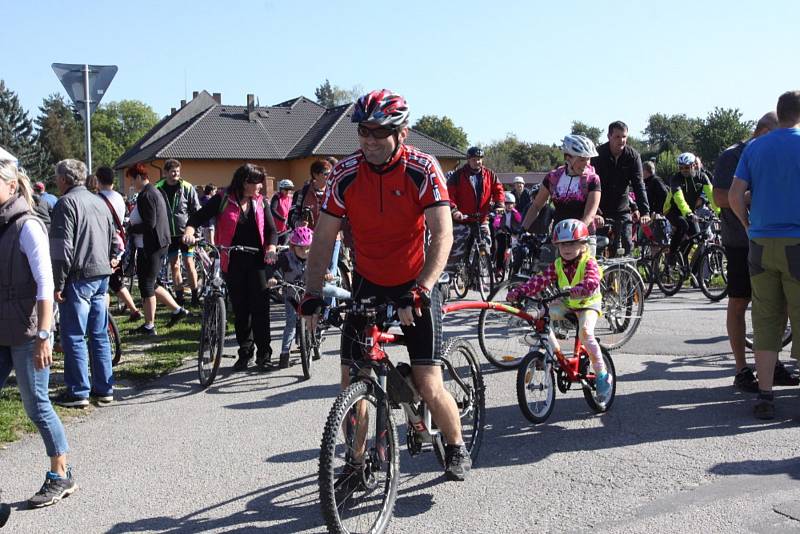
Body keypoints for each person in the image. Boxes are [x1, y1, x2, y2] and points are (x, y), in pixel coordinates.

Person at [300, 89, 471, 481]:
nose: (370, 140)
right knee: (351, 380)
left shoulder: (423, 169)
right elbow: (323, 238)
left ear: (402, 133)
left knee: (428, 382)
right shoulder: (345, 174)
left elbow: (442, 235)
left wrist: (424, 287)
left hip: (415, 281)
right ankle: (356, 462)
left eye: (380, 132)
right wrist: (311, 293)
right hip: (368, 282)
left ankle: (456, 444)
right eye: (363, 131)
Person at [0, 159, 76, 508]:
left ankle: (60, 473)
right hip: (2, 327)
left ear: (12, 186)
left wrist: (45, 335)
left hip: (29, 331)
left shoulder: (27, 226)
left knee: (37, 405)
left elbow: (46, 284)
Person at [712, 112, 797, 393]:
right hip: (739, 241)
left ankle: (771, 368)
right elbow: (720, 197)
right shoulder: (732, 155)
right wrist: (752, 195)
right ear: (761, 131)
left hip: (765, 240)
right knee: (738, 302)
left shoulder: (768, 150)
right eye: (772, 133)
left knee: (779, 305)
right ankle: (741, 369)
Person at [729, 90, 800, 419]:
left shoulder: (755, 147)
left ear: (779, 112)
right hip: (797, 241)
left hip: (760, 243)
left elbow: (734, 194)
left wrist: (748, 224)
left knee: (766, 319)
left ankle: (766, 394)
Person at [184, 164, 278, 371]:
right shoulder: (224, 199)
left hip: (258, 262)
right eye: (257, 182)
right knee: (241, 309)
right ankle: (245, 353)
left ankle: (264, 354)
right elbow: (198, 217)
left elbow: (272, 230)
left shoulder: (261, 202)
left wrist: (271, 247)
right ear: (245, 183)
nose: (261, 186)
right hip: (232, 260)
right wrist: (189, 231)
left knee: (260, 309)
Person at [507, 218, 612, 396]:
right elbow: (540, 280)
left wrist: (581, 289)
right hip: (567, 303)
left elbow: (593, 280)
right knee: (539, 317)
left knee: (585, 332)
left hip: (587, 304)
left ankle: (602, 374)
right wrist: (520, 291)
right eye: (562, 245)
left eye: (571, 243)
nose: (567, 249)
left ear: (583, 244)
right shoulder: (557, 265)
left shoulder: (588, 262)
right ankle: (551, 354)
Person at [48, 159, 117, 408]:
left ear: (65, 179)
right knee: (98, 334)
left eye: (57, 177)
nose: (56, 181)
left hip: (78, 277)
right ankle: (104, 388)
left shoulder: (66, 203)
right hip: (100, 274)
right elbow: (114, 239)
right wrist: (110, 260)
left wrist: (58, 283)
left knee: (74, 335)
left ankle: (78, 392)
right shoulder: (99, 201)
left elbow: (61, 248)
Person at [267, 226, 350, 368]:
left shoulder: (314, 256)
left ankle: (354, 298)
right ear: (293, 246)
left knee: (334, 292)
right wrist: (272, 278)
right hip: (292, 295)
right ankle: (284, 353)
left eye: (308, 248)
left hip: (312, 290)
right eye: (301, 248)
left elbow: (323, 267)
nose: (305, 252)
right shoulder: (285, 257)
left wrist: (327, 274)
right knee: (291, 324)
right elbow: (272, 268)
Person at [126, 163, 188, 336]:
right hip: (159, 243)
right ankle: (177, 310)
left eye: (132, 179)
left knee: (146, 285)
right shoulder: (154, 191)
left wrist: (131, 228)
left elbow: (149, 224)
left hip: (152, 245)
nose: (132, 184)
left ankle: (149, 325)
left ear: (139, 177)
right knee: (152, 283)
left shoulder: (146, 195)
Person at [521, 135, 602, 254]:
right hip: (559, 239)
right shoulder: (553, 177)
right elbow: (536, 206)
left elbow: (589, 215)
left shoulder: (592, 179)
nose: (586, 163)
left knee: (585, 271)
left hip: (583, 238)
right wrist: (523, 229)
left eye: (588, 159)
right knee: (553, 271)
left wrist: (575, 236)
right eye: (581, 159)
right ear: (568, 157)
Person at [591, 121, 651, 256]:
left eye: (624, 136)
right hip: (601, 209)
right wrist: (596, 212)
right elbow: (590, 185)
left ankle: (627, 275)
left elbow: (638, 185)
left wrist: (645, 212)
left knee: (627, 245)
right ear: (609, 136)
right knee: (598, 248)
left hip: (622, 209)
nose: (621, 140)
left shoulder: (633, 156)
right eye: (617, 137)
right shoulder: (597, 155)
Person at [446, 146, 505, 268]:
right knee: (456, 252)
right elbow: (449, 195)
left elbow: (498, 190)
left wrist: (499, 204)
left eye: (479, 159)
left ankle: (480, 272)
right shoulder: (458, 175)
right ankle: (448, 279)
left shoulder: (490, 175)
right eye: (474, 159)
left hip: (481, 219)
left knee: (486, 248)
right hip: (462, 219)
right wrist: (454, 210)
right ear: (468, 160)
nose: (477, 162)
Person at [96, 166, 141, 321]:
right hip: (120, 242)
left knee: (105, 281)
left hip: (105, 243)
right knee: (115, 281)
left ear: (98, 180)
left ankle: (104, 317)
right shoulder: (119, 197)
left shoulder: (98, 199)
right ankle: (133, 310)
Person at [155, 159, 201, 307]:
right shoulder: (158, 188)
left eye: (178, 171)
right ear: (165, 173)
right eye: (173, 171)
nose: (176, 174)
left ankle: (194, 297)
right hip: (169, 235)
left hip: (185, 234)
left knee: (189, 263)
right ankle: (179, 298)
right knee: (174, 265)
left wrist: (195, 232)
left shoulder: (187, 187)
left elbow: (197, 211)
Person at [664, 152, 718, 261]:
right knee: (683, 225)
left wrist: (719, 212)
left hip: (690, 211)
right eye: (681, 167)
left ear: (694, 165)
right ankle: (671, 255)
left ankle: (683, 257)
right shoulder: (676, 178)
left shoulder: (702, 177)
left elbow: (712, 196)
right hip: (672, 210)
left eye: (687, 167)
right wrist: (688, 213)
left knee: (696, 236)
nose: (684, 170)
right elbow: (679, 199)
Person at [493, 191, 523, 275]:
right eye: (507, 203)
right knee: (501, 249)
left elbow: (520, 220)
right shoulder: (501, 212)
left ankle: (515, 268)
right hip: (502, 233)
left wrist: (515, 212)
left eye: (511, 204)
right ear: (504, 204)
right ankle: (499, 269)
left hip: (512, 233)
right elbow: (496, 223)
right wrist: (498, 222)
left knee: (516, 248)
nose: (509, 205)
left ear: (514, 204)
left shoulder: (515, 212)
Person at [271, 179, 294, 244]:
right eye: (286, 189)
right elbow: (273, 210)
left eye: (290, 189)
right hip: (276, 229)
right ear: (281, 189)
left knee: (284, 246)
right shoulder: (277, 197)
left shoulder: (290, 199)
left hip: (286, 229)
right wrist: (283, 219)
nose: (288, 191)